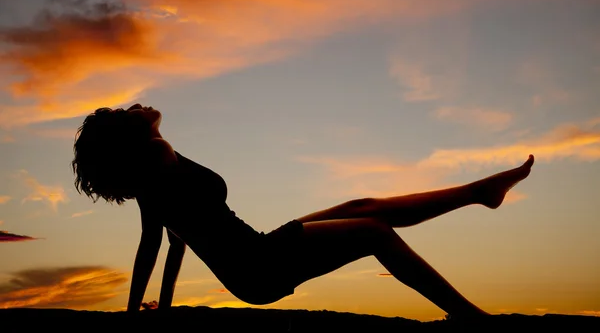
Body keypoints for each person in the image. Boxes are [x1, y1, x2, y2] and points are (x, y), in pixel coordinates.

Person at [71, 103, 534, 318]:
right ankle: (472, 320)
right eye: (125, 113)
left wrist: (158, 310)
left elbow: (166, 248)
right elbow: (152, 246)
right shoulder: (157, 156)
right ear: (129, 135)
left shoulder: (154, 182)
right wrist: (136, 316)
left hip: (257, 254)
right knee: (373, 231)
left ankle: (478, 192)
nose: (137, 107)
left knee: (361, 207)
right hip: (257, 266)